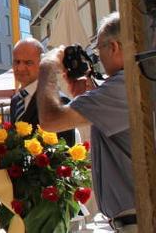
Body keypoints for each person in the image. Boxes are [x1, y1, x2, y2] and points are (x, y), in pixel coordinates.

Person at [38, 12, 137, 231]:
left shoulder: (125, 84)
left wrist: (47, 67)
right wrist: (87, 96)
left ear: (114, 47)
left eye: (98, 48)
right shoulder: (136, 79)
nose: (97, 57)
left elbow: (49, 120)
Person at [10, 38, 76, 145]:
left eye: (28, 63)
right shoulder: (15, 101)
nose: (20, 68)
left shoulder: (59, 101)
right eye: (17, 61)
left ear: (42, 63)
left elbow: (66, 151)